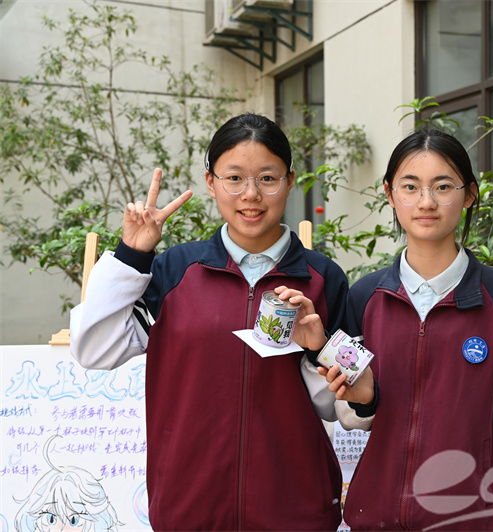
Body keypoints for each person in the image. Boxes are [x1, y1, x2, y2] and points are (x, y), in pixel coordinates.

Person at [69, 113, 348, 531]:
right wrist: (131, 255)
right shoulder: (174, 271)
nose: (251, 194)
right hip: (189, 507)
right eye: (234, 178)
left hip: (296, 509)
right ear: (211, 182)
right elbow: (93, 349)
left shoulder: (323, 278)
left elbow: (339, 405)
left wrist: (316, 347)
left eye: (267, 178)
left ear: (289, 182)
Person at [320, 129, 493, 530]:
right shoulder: (365, 297)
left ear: (470, 194)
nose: (426, 202)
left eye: (443, 187)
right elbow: (350, 415)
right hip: (378, 520)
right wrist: (363, 400)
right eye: (410, 187)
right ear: (390, 195)